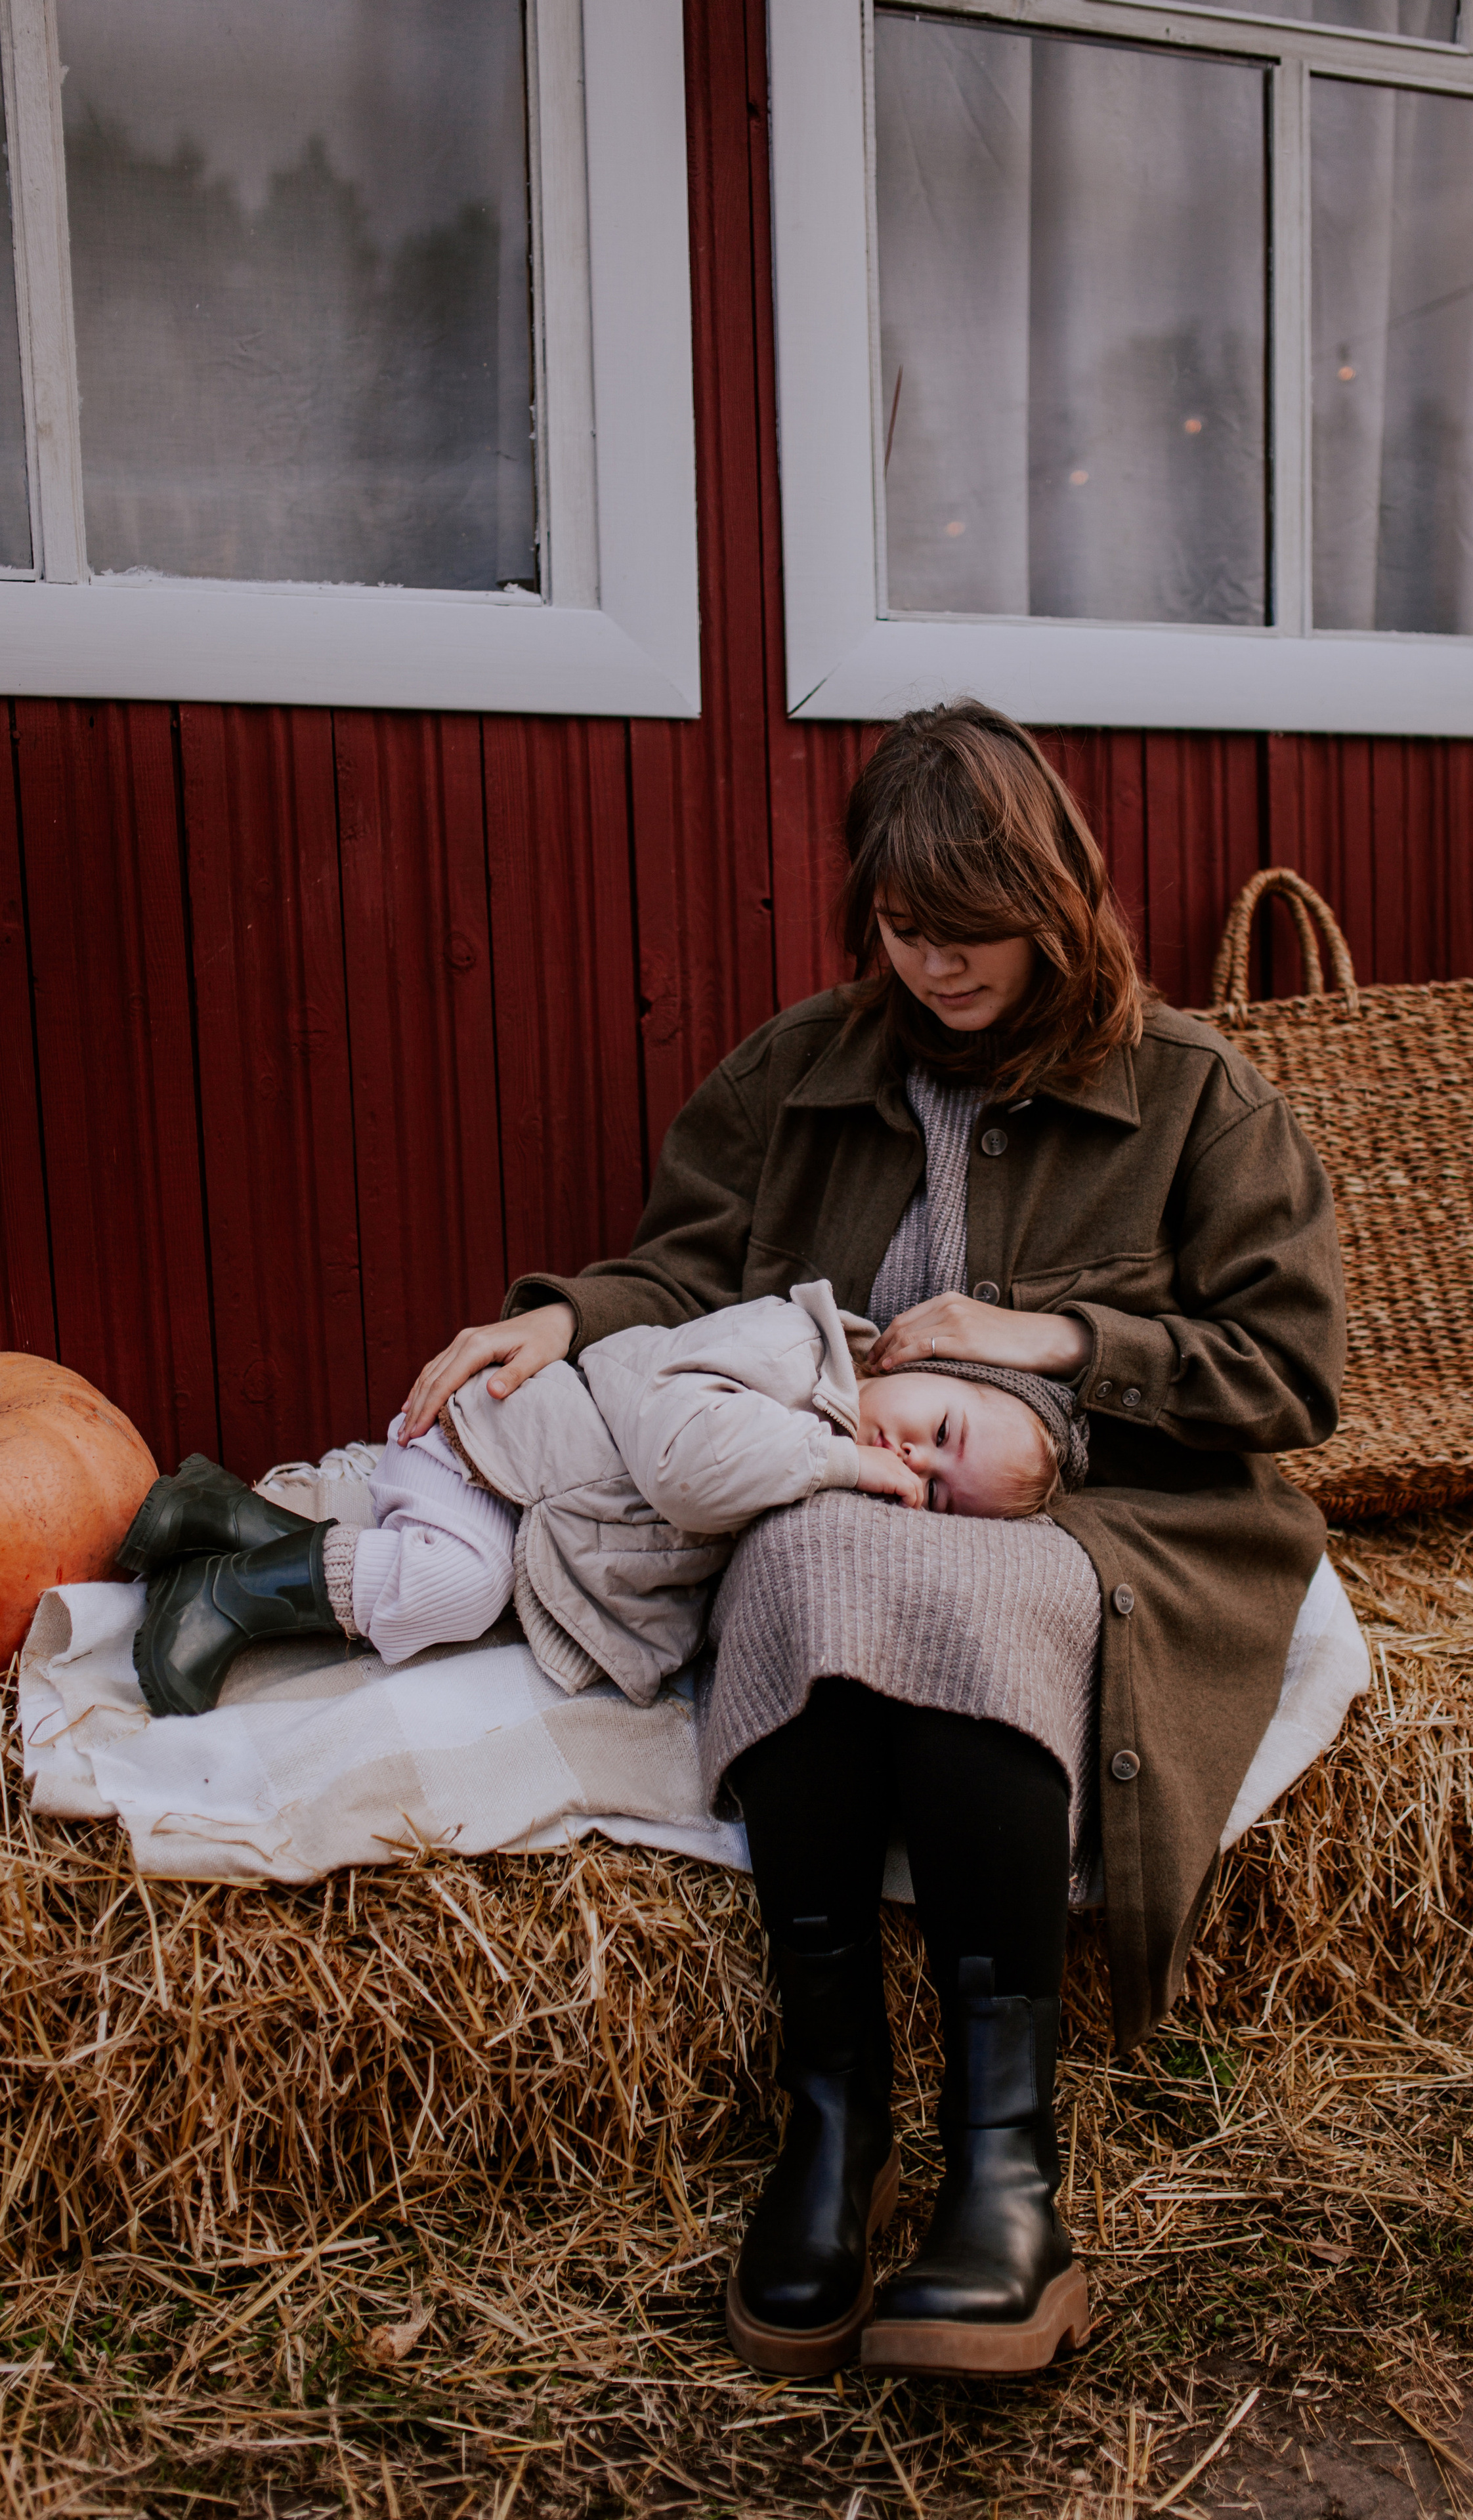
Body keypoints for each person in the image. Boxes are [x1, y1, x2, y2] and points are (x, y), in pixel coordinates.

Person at [245, 700, 1350, 2380]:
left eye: (972, 932)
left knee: (942, 1578)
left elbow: (1285, 1374)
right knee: (814, 1551)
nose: (937, 966)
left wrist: (1048, 1342)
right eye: (904, 930)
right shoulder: (798, 1071)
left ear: (1056, 904)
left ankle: (1005, 2176)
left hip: (1092, 1495)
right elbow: (682, 1271)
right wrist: (566, 1321)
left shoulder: (1194, 1095)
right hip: (826, 1471)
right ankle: (831, 2124)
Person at [123, 1279, 1077, 1719]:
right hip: (493, 1452)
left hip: (530, 1498)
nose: (913, 1460)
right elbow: (684, 1467)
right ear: (921, 1361)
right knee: (458, 1589)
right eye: (941, 1431)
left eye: (940, 1495)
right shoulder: (794, 1354)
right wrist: (838, 1468)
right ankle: (222, 1597)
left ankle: (215, 1518)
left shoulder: (818, 1446)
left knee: (476, 1590)